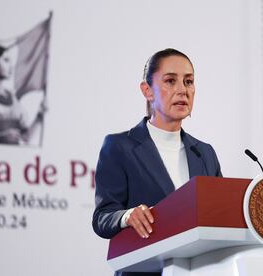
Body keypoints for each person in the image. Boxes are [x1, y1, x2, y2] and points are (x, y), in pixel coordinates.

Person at [92, 48, 222, 276]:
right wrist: (127, 216)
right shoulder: (119, 147)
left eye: (189, 81)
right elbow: (102, 217)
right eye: (170, 81)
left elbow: (219, 217)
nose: (183, 90)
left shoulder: (205, 153)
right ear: (147, 91)